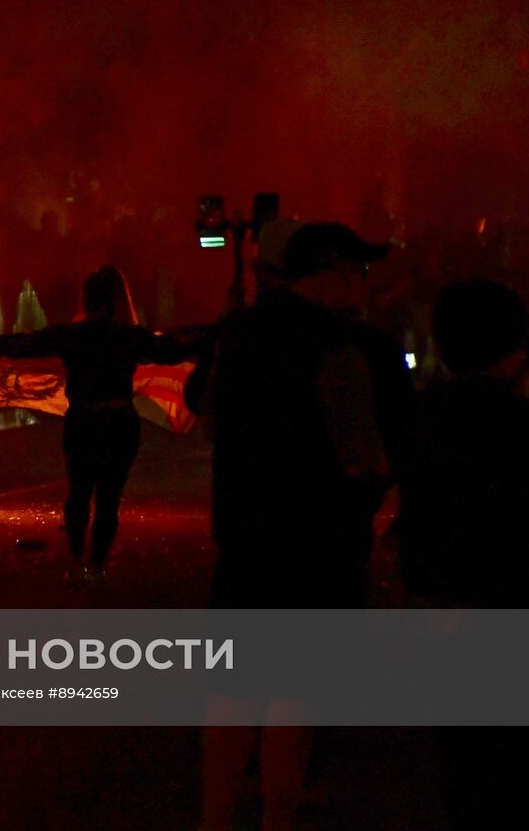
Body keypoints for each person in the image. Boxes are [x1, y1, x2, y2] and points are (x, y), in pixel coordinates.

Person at [189, 221, 406, 831]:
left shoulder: (237, 336)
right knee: (297, 696)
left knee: (231, 692)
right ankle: (276, 818)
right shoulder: (352, 349)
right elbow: (363, 457)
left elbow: (205, 417)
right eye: (357, 270)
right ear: (330, 273)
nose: (364, 283)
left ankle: (215, 818)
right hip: (320, 551)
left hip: (245, 546)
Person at [0, 266, 199, 582]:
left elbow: (21, 343)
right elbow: (173, 350)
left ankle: (77, 560)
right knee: (109, 498)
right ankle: (96, 565)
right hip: (119, 422)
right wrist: (213, 335)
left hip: (83, 421)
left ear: (87, 297)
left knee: (79, 493)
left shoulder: (74, 336)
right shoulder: (130, 337)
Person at [397, 279, 529, 831]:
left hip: (450, 608)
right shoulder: (515, 425)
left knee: (465, 759)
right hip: (510, 606)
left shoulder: (428, 417)